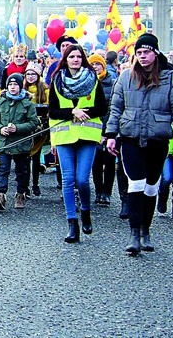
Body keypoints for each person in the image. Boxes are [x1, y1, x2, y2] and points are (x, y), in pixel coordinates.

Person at [106, 33, 173, 255]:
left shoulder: (170, 78)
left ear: (156, 53)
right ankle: (134, 233)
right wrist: (110, 134)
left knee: (151, 186)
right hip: (131, 137)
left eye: (146, 52)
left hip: (158, 138)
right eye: (139, 53)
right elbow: (116, 107)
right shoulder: (126, 77)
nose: (142, 56)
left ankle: (146, 230)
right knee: (136, 183)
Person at [48, 44, 107, 243]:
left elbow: (102, 107)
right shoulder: (57, 80)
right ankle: (72, 223)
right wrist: (72, 112)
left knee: (82, 179)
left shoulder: (93, 80)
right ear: (65, 59)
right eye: (72, 56)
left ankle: (86, 211)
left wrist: (85, 113)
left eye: (79, 57)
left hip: (87, 135)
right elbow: (52, 111)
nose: (75, 60)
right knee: (68, 179)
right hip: (65, 136)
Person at [0, 73, 40, 211]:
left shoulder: (28, 103)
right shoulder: (1, 101)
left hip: (21, 143)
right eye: (10, 84)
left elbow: (33, 123)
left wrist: (17, 128)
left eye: (15, 85)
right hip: (4, 142)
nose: (13, 87)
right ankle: (1, 195)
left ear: (20, 86)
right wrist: (0, 129)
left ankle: (20, 194)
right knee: (3, 170)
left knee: (22, 171)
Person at [88, 53, 117, 207]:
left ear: (103, 66)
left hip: (108, 128)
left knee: (109, 162)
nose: (95, 67)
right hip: (92, 129)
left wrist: (107, 132)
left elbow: (112, 109)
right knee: (96, 162)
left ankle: (107, 192)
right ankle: (98, 191)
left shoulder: (112, 83)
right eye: (92, 65)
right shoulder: (87, 83)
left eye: (98, 64)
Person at [24, 61, 49, 197]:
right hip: (26, 129)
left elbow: (48, 107)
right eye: (28, 74)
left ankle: (35, 184)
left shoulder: (45, 90)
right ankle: (26, 186)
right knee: (26, 159)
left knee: (36, 158)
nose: (31, 76)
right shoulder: (22, 90)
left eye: (33, 74)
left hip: (40, 128)